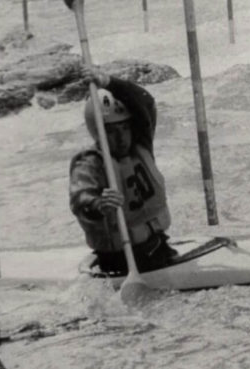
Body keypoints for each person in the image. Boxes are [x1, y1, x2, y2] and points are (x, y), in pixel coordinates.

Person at [69, 65, 178, 275]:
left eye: (125, 128)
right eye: (111, 131)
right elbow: (79, 199)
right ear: (97, 131)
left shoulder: (141, 146)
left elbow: (145, 103)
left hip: (158, 246)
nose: (121, 138)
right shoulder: (89, 163)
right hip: (119, 261)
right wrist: (98, 204)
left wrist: (110, 82)